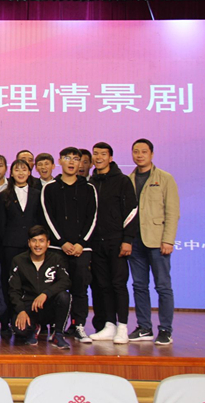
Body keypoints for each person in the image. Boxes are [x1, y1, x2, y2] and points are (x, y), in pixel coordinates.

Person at [41, 147, 97, 343]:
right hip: (57, 249)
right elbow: (48, 217)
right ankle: (56, 328)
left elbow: (92, 217)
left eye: (76, 159)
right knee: (55, 289)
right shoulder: (50, 188)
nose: (71, 162)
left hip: (82, 249)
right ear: (60, 161)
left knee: (80, 288)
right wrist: (62, 242)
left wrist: (81, 243)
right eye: (67, 158)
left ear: (81, 163)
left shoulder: (89, 188)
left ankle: (78, 325)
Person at [128, 138, 179, 346]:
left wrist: (168, 239)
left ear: (152, 154)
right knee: (139, 286)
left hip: (158, 241)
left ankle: (165, 329)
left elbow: (172, 212)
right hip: (135, 241)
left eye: (144, 151)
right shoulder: (128, 180)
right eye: (136, 151)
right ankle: (144, 327)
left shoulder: (165, 178)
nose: (139, 155)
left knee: (163, 286)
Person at [89, 142, 138, 345]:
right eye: (96, 154)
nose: (98, 157)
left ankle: (123, 326)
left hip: (117, 241)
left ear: (110, 158)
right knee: (103, 285)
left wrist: (127, 240)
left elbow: (132, 211)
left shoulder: (122, 181)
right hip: (96, 242)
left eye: (103, 154)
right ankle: (109, 325)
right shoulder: (91, 182)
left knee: (118, 284)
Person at [0, 159, 43, 337]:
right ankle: (7, 322)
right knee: (10, 283)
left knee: (30, 282)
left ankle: (32, 321)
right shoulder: (4, 195)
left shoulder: (37, 193)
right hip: (10, 245)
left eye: (24, 169)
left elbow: (40, 219)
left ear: (30, 172)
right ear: (12, 173)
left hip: (32, 246)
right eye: (17, 170)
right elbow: (1, 224)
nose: (21, 173)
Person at [9, 226, 72, 350]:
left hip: (49, 304)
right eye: (34, 241)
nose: (37, 245)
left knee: (65, 296)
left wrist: (46, 293)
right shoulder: (18, 261)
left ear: (48, 243)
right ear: (29, 243)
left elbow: (65, 281)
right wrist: (21, 310)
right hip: (29, 307)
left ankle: (58, 334)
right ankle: (34, 328)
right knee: (19, 330)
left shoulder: (56, 259)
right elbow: (13, 290)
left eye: (41, 241)